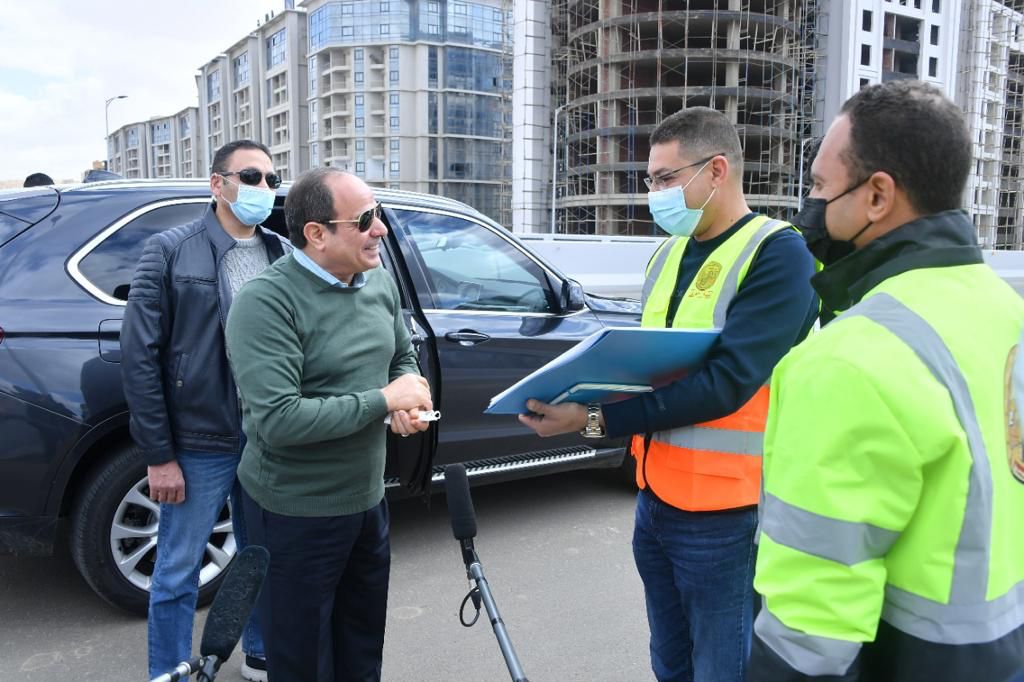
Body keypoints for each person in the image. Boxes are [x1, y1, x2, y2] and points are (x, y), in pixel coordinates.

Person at [519, 106, 818, 681]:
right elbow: (647, 364)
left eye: (665, 179)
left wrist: (595, 420)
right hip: (656, 498)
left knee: (723, 668)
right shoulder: (667, 254)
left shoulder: (778, 253)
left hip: (730, 512)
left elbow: (727, 383)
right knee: (670, 663)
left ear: (716, 171)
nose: (653, 194)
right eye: (649, 180)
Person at [748, 80, 1024, 681]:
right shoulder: (1009, 313)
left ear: (877, 196)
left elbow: (811, 626)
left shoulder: (848, 358)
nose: (809, 206)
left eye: (819, 186)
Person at [224, 167, 433, 681]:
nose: (380, 229)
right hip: (295, 512)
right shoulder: (266, 302)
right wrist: (383, 401)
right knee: (302, 661)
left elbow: (401, 358)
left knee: (361, 648)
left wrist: (407, 399)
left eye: (377, 214)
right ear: (316, 234)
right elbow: (279, 420)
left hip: (367, 500)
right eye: (364, 220)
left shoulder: (377, 280)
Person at [120, 139, 290, 681]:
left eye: (271, 179)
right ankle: (169, 670)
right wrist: (159, 455)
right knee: (177, 567)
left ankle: (260, 652)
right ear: (218, 184)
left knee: (261, 554)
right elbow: (140, 358)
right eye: (251, 176)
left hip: (265, 435)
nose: (264, 187)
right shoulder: (171, 250)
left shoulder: (281, 252)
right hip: (201, 439)